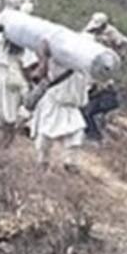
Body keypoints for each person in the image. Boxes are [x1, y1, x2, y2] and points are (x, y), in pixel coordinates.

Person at [29, 42, 90, 170]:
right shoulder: (58, 62)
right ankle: (42, 160)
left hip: (71, 106)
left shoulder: (84, 68)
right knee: (46, 133)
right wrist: (44, 56)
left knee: (77, 132)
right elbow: (41, 70)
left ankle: (71, 162)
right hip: (54, 103)